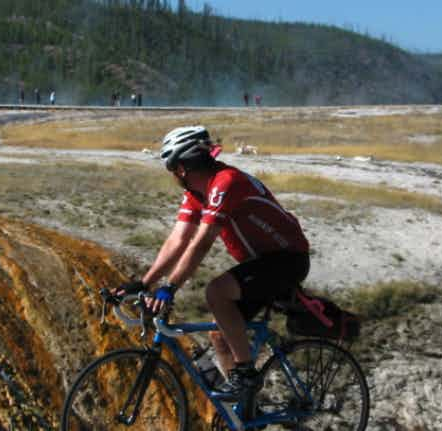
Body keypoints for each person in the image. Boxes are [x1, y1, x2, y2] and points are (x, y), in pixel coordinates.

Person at [115, 126, 310, 400]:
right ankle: (241, 413)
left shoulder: (225, 183)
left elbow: (202, 242)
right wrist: (144, 283)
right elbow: (179, 239)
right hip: (262, 262)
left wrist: (170, 287)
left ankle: (245, 376)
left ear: (181, 168)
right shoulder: (198, 192)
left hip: (287, 260)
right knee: (220, 336)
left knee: (216, 292)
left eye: (171, 168)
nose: (172, 174)